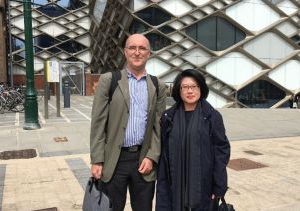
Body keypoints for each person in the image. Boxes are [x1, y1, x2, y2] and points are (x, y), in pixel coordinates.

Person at [90, 34, 167, 211]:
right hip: (114, 160)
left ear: (149, 53)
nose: (137, 52)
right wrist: (97, 160)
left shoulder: (158, 85)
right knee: (111, 208)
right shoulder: (109, 80)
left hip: (143, 160)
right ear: (125, 52)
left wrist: (152, 156)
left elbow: (159, 126)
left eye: (142, 48)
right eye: (132, 48)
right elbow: (98, 123)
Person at [156, 69, 231, 211]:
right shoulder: (168, 117)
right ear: (179, 90)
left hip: (204, 185)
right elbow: (163, 154)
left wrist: (219, 185)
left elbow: (221, 151)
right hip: (173, 184)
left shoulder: (212, 117)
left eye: (194, 86)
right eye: (185, 87)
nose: (190, 91)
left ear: (201, 89)